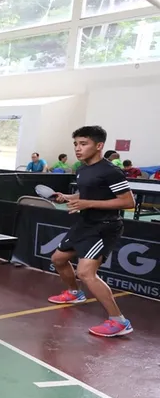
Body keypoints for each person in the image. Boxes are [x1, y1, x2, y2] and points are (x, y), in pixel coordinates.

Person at [48, 125, 135, 337]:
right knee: (58, 259)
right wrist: (69, 198)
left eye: (83, 144)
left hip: (104, 226)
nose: (78, 148)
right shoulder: (82, 168)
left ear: (99, 146)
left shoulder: (110, 171)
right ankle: (74, 293)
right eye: (76, 144)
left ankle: (119, 321)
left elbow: (128, 202)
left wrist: (88, 203)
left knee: (86, 272)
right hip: (85, 223)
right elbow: (86, 194)